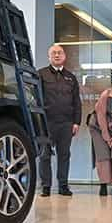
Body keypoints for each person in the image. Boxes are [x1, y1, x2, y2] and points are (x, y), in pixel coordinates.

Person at [38, 44, 81, 197]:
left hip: (66, 123)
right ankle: (46, 186)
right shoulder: (41, 75)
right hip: (46, 123)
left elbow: (77, 101)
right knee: (45, 155)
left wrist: (77, 122)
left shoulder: (71, 77)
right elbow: (35, 99)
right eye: (54, 53)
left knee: (64, 155)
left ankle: (63, 185)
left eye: (60, 53)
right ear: (49, 57)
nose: (57, 55)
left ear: (64, 56)